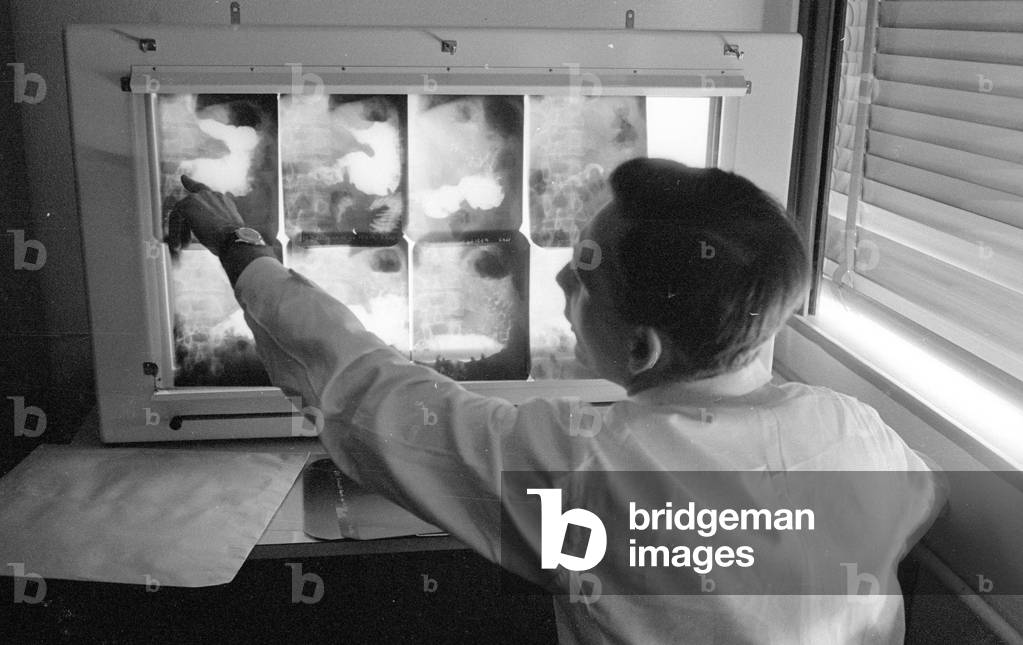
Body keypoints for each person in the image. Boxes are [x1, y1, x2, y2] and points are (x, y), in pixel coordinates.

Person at [169, 158, 944, 644]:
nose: (558, 280)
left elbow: (372, 393)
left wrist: (242, 250)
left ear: (641, 349)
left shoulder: (585, 473)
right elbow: (923, 499)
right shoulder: (857, 431)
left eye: (582, 273)